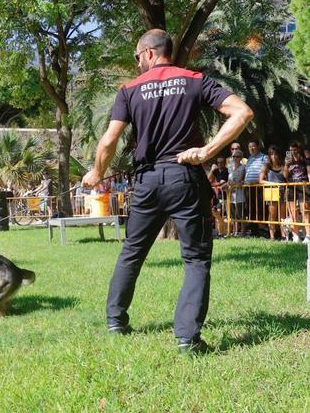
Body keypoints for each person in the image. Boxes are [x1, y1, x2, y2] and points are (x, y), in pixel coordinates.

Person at [81, 29, 253, 354]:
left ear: (148, 53)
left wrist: (97, 172)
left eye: (137, 57)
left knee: (132, 251)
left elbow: (108, 140)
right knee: (196, 259)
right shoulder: (194, 79)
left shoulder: (129, 89)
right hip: (183, 177)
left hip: (146, 181)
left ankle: (116, 321)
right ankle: (187, 339)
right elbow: (242, 112)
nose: (137, 63)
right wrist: (207, 151)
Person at [283, 141, 310, 243]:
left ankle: (308, 235)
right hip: (290, 185)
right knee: (292, 212)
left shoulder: (304, 158)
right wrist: (286, 165)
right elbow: (285, 176)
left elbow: (308, 171)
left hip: (303, 185)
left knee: (305, 211)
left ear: (299, 149)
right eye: (291, 149)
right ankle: (295, 236)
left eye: (295, 149)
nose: (293, 151)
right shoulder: (288, 160)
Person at [259, 145, 286, 241]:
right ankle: (272, 236)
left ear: (279, 155)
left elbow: (286, 177)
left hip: (283, 191)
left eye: (275, 154)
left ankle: (284, 236)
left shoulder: (283, 165)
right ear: (269, 155)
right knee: (272, 214)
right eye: (271, 154)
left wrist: (286, 166)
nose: (274, 156)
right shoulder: (266, 166)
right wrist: (273, 184)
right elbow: (261, 181)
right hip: (271, 191)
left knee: (282, 216)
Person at [244, 140, 268, 236]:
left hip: (259, 187)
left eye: (253, 146)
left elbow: (264, 172)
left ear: (258, 147)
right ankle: (254, 231)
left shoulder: (264, 157)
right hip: (248, 188)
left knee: (261, 208)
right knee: (250, 209)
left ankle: (263, 231)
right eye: (250, 147)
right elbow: (247, 172)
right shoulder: (249, 159)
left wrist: (256, 181)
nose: (251, 148)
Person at [228, 150, 246, 236]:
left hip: (240, 194)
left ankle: (243, 231)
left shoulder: (243, 167)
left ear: (241, 158)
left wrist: (234, 184)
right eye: (233, 156)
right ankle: (235, 231)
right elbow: (229, 181)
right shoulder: (230, 167)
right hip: (231, 194)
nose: (235, 158)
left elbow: (239, 180)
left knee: (240, 213)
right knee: (233, 213)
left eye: (237, 156)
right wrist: (234, 184)